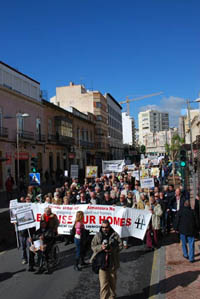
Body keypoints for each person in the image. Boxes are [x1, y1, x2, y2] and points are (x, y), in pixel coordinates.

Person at [91, 220, 123, 299]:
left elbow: (120, 246)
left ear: (109, 227)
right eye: (103, 227)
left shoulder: (115, 235)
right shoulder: (98, 235)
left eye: (106, 227)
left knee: (112, 285)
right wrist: (101, 247)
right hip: (102, 264)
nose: (105, 229)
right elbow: (93, 246)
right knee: (103, 286)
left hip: (112, 264)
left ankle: (112, 297)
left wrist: (112, 249)